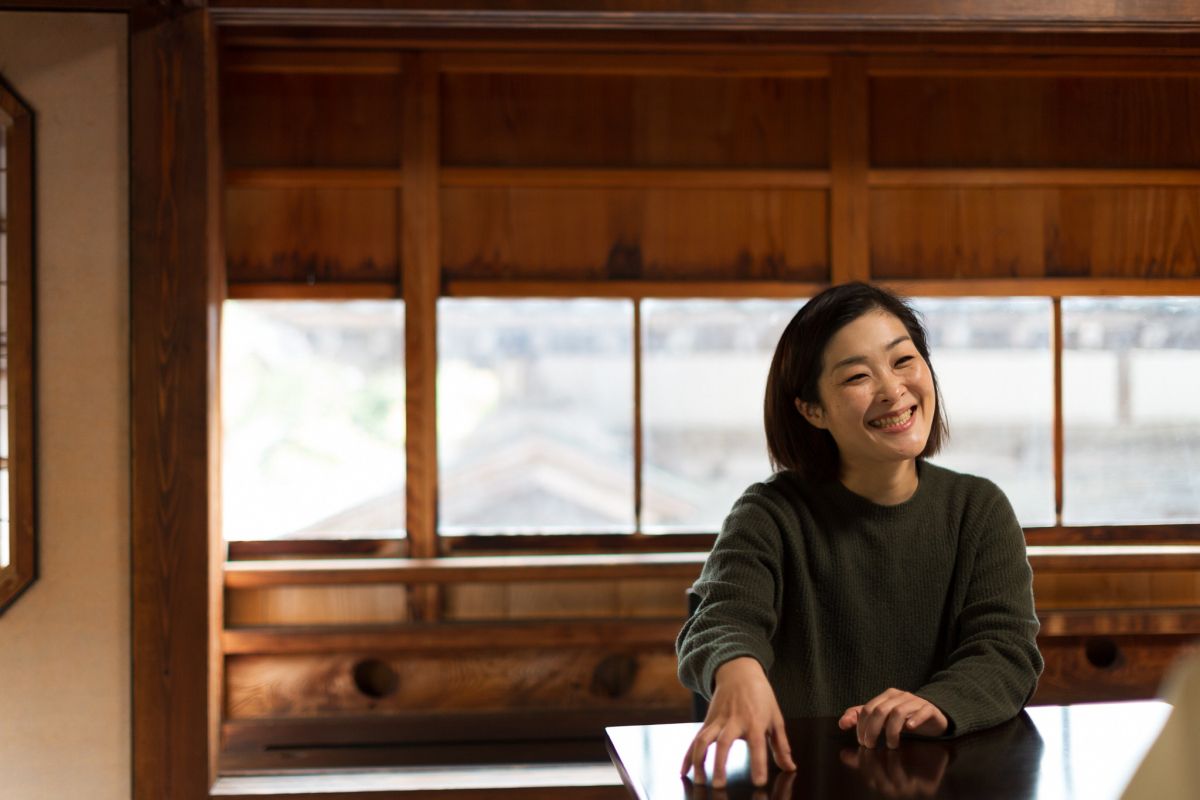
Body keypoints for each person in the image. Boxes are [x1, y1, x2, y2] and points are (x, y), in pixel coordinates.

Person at [676, 282, 1044, 788]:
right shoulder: (769, 513)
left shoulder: (978, 510)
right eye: (857, 376)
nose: (893, 390)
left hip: (940, 784)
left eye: (903, 361)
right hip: (801, 780)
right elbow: (720, 618)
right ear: (812, 409)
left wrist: (936, 704)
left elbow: (1004, 651)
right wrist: (737, 670)